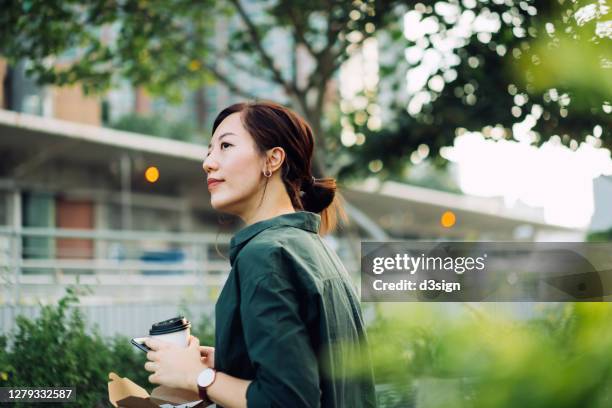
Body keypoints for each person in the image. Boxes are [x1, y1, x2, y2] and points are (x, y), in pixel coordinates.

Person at [143, 101, 377, 407]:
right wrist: (226, 361)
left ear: (273, 159)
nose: (209, 162)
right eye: (209, 150)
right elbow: (315, 372)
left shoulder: (266, 255)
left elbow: (286, 400)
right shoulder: (312, 247)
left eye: (225, 145)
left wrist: (199, 378)